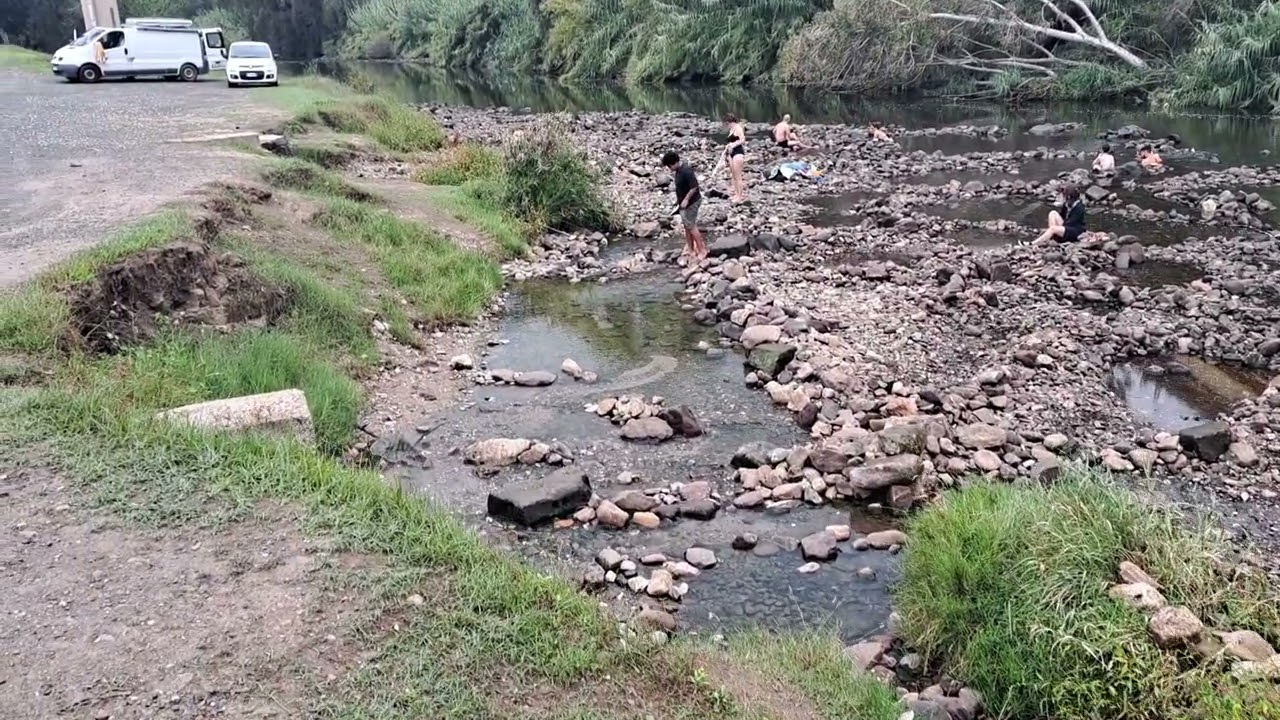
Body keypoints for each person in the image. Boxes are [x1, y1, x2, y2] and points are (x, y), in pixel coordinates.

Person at [662, 151, 706, 261]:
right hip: (683, 203)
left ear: (675, 162)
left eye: (670, 166)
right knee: (687, 226)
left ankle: (702, 250)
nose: (669, 168)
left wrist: (686, 200)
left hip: (692, 202)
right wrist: (678, 201)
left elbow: (694, 187)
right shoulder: (678, 171)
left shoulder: (686, 170)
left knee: (691, 226)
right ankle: (690, 249)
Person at [723, 114, 747, 203]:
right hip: (732, 153)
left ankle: (740, 196)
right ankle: (736, 194)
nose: (727, 126)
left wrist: (733, 145)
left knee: (738, 176)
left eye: (727, 124)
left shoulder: (738, 128)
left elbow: (742, 139)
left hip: (738, 153)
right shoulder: (732, 129)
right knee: (733, 176)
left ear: (730, 122)